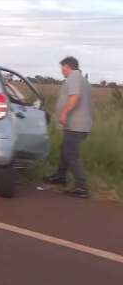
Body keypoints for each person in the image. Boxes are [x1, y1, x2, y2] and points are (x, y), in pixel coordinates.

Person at [44, 56, 93, 198]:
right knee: (65, 149)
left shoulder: (73, 77)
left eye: (62, 68)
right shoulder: (83, 79)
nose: (62, 72)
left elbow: (75, 96)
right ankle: (60, 176)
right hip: (80, 124)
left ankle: (81, 186)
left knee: (71, 153)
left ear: (68, 66)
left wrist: (64, 113)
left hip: (76, 124)